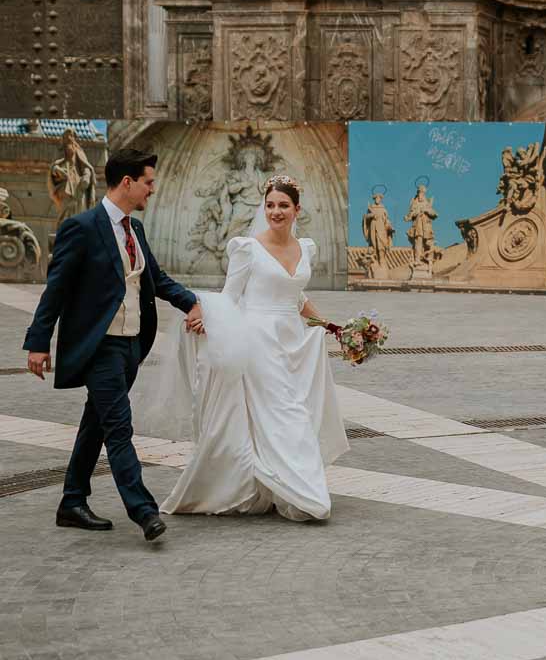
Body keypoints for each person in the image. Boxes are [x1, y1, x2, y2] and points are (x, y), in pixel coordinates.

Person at [23, 149, 203, 542]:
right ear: (128, 182)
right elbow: (57, 289)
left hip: (130, 346)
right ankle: (144, 511)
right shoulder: (82, 227)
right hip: (99, 347)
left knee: (96, 425)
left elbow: (156, 278)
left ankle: (72, 501)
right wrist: (38, 343)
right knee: (119, 427)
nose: (152, 189)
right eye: (148, 182)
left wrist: (193, 302)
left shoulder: (134, 230)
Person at [154, 175, 349, 522]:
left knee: (295, 410)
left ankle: (280, 487)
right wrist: (205, 316)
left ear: (296, 210)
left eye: (283, 206)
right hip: (258, 341)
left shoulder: (306, 248)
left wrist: (331, 327)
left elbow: (297, 297)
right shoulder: (247, 248)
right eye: (270, 205)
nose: (276, 211)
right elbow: (231, 297)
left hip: (294, 340)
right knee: (285, 414)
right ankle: (304, 492)